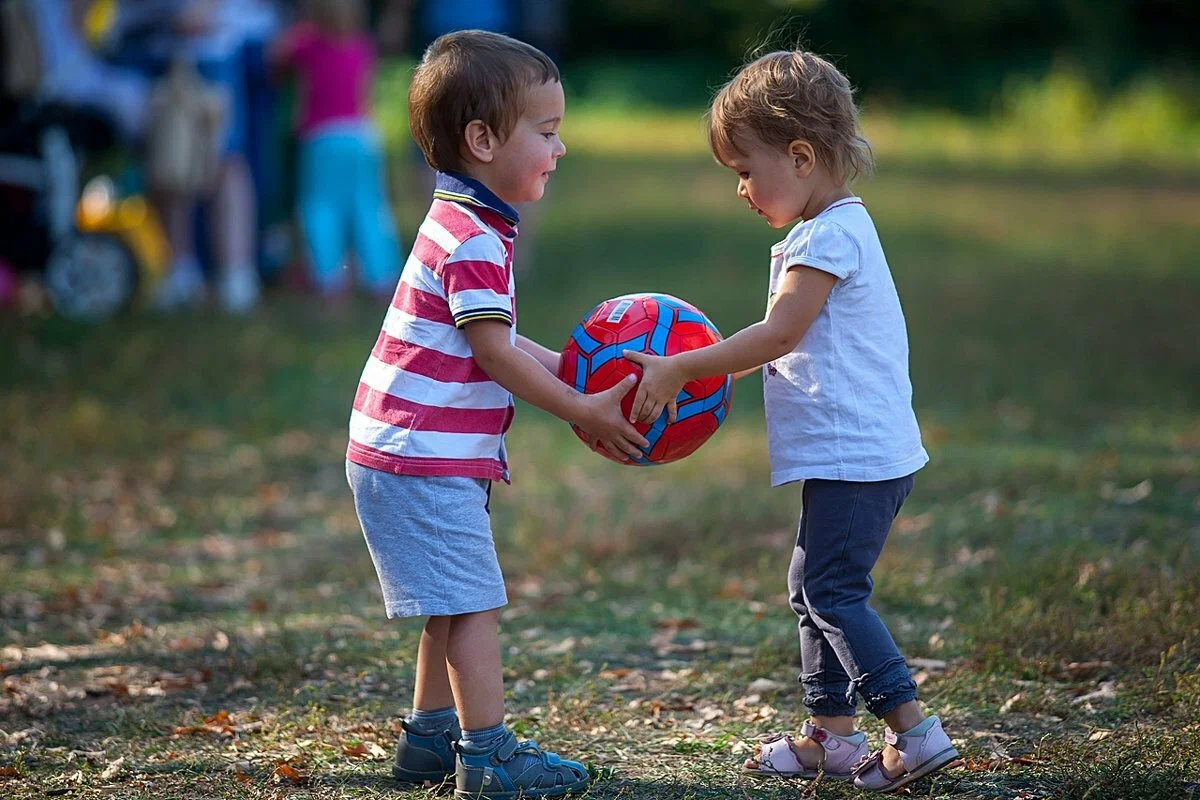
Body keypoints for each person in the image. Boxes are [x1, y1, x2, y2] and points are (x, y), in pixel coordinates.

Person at [623, 50, 959, 792]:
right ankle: (832, 738)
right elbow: (787, 338)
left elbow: (779, 333)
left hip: (857, 457)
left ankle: (914, 730)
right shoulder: (827, 231)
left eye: (745, 169)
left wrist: (683, 366)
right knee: (812, 587)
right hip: (853, 456)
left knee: (832, 591)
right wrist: (711, 368)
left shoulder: (829, 237)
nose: (741, 189)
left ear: (801, 156)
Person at [343, 30, 646, 799]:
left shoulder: (462, 219)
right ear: (481, 140)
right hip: (420, 455)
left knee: (447, 605)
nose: (562, 147)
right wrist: (581, 406)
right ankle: (489, 758)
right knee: (474, 604)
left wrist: (575, 365)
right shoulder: (474, 236)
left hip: (403, 451)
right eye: (545, 132)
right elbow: (493, 355)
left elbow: (497, 337)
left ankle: (428, 741)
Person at [270, 0, 400, 298]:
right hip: (363, 135)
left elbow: (275, 59)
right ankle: (381, 277)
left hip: (322, 137)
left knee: (321, 208)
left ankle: (329, 279)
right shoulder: (363, 45)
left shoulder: (306, 44)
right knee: (369, 207)